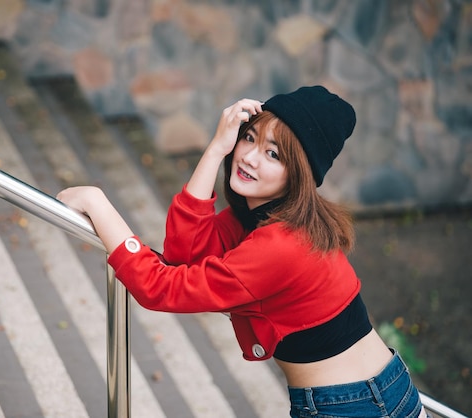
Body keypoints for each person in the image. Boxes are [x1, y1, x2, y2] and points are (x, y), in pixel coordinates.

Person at [57, 86, 428, 417]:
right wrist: (216, 148)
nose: (249, 157)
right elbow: (187, 252)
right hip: (379, 393)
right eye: (248, 138)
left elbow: (160, 287)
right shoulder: (261, 218)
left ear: (298, 174)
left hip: (353, 406)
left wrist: (97, 203)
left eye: (273, 154)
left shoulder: (282, 244)